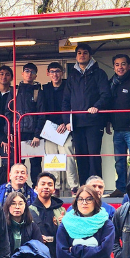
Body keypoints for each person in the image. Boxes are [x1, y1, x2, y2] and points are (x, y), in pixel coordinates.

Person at [62, 43, 113, 186]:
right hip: (76, 123)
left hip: (94, 122)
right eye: (79, 53)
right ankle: (84, 187)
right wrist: (67, 121)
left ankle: (96, 187)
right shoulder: (72, 76)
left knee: (93, 156)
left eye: (85, 53)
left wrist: (96, 106)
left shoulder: (99, 73)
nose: (82, 55)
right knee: (81, 156)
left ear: (90, 55)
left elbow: (106, 95)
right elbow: (66, 100)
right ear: (76, 56)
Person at [41, 62, 78, 195]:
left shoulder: (69, 86)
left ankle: (73, 187)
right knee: (51, 158)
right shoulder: (44, 89)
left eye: (57, 71)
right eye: (52, 71)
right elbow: (42, 109)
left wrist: (65, 122)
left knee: (68, 154)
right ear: (48, 73)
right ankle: (53, 187)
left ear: (62, 72)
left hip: (65, 128)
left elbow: (72, 104)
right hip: (50, 130)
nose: (55, 74)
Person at [107, 54, 130, 198]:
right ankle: (120, 189)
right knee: (119, 162)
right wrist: (108, 122)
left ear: (129, 66)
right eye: (116, 64)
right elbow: (108, 103)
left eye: (123, 64)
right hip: (117, 129)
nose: (120, 67)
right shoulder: (111, 83)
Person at [12, 63, 44, 186]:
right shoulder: (14, 91)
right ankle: (18, 188)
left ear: (35, 75)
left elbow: (42, 114)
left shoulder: (38, 92)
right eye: (26, 71)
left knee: (36, 164)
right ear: (22, 74)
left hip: (33, 134)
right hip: (17, 133)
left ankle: (36, 188)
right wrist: (10, 133)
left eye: (32, 72)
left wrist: (37, 135)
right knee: (18, 163)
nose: (29, 73)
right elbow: (8, 112)